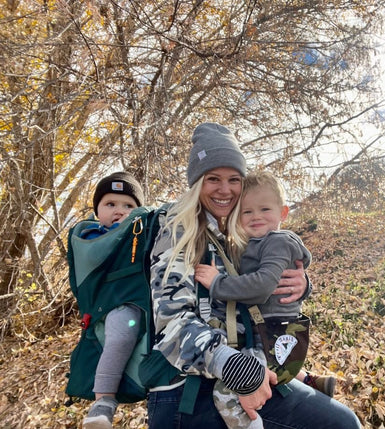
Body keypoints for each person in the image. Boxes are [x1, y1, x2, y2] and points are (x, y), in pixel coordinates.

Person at [148, 122, 361, 429]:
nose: (225, 189)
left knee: (342, 421)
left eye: (234, 179)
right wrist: (239, 369)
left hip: (240, 374)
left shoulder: (230, 235)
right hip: (188, 392)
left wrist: (297, 287)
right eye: (213, 179)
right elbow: (171, 325)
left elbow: (252, 292)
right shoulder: (177, 230)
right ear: (196, 182)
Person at [194, 170, 336, 429]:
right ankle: (307, 380)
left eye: (264, 209)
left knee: (225, 392)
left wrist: (217, 283)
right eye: (247, 212)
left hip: (270, 332)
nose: (256, 217)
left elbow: (261, 286)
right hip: (267, 329)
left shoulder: (277, 242)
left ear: (283, 213)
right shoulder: (257, 243)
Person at [79, 172, 145, 429]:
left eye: (129, 206)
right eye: (111, 204)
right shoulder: (91, 234)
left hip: (144, 302)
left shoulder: (143, 236)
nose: (120, 211)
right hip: (114, 306)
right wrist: (121, 230)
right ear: (97, 211)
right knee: (122, 331)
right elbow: (95, 256)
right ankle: (103, 400)